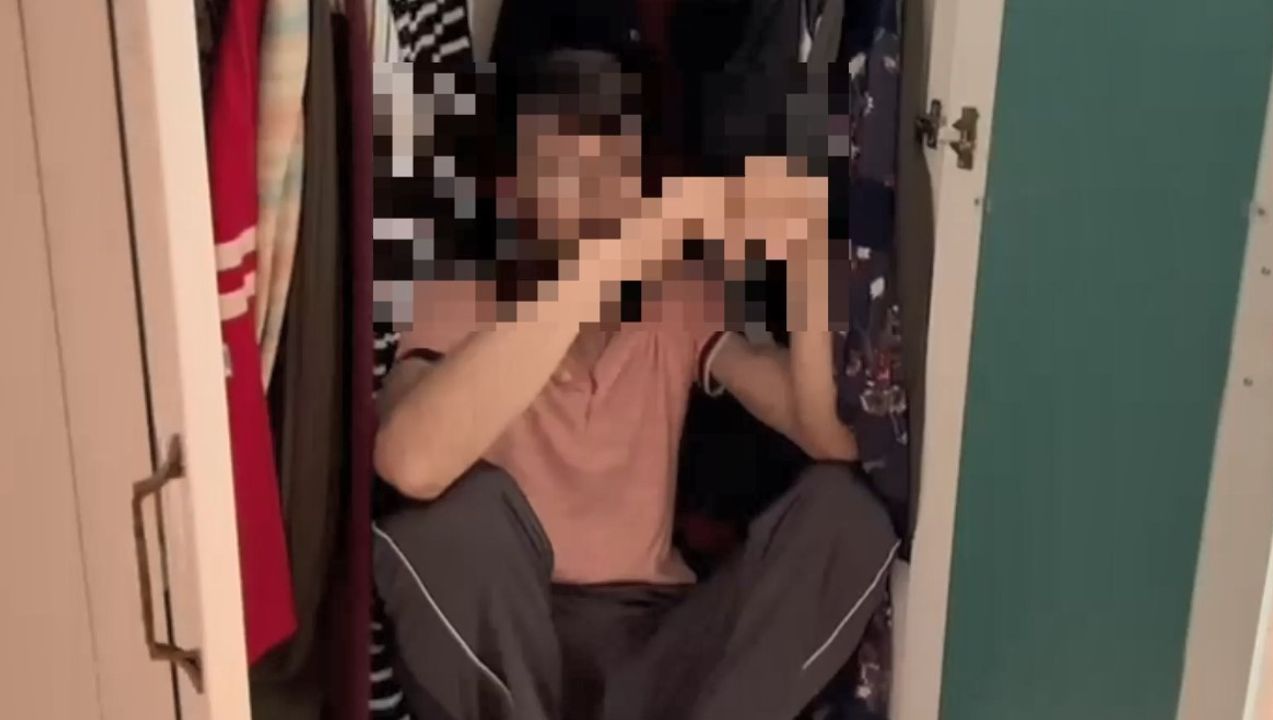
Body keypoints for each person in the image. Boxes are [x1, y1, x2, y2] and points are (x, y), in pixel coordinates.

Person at [372, 51, 897, 720]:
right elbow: (409, 463)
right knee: (445, 522)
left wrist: (806, 243)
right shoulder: (459, 301)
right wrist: (612, 256)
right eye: (568, 174)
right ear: (512, 190)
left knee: (844, 513)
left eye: (613, 174)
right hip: (509, 642)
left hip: (654, 649)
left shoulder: (673, 301)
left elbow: (830, 438)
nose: (597, 200)